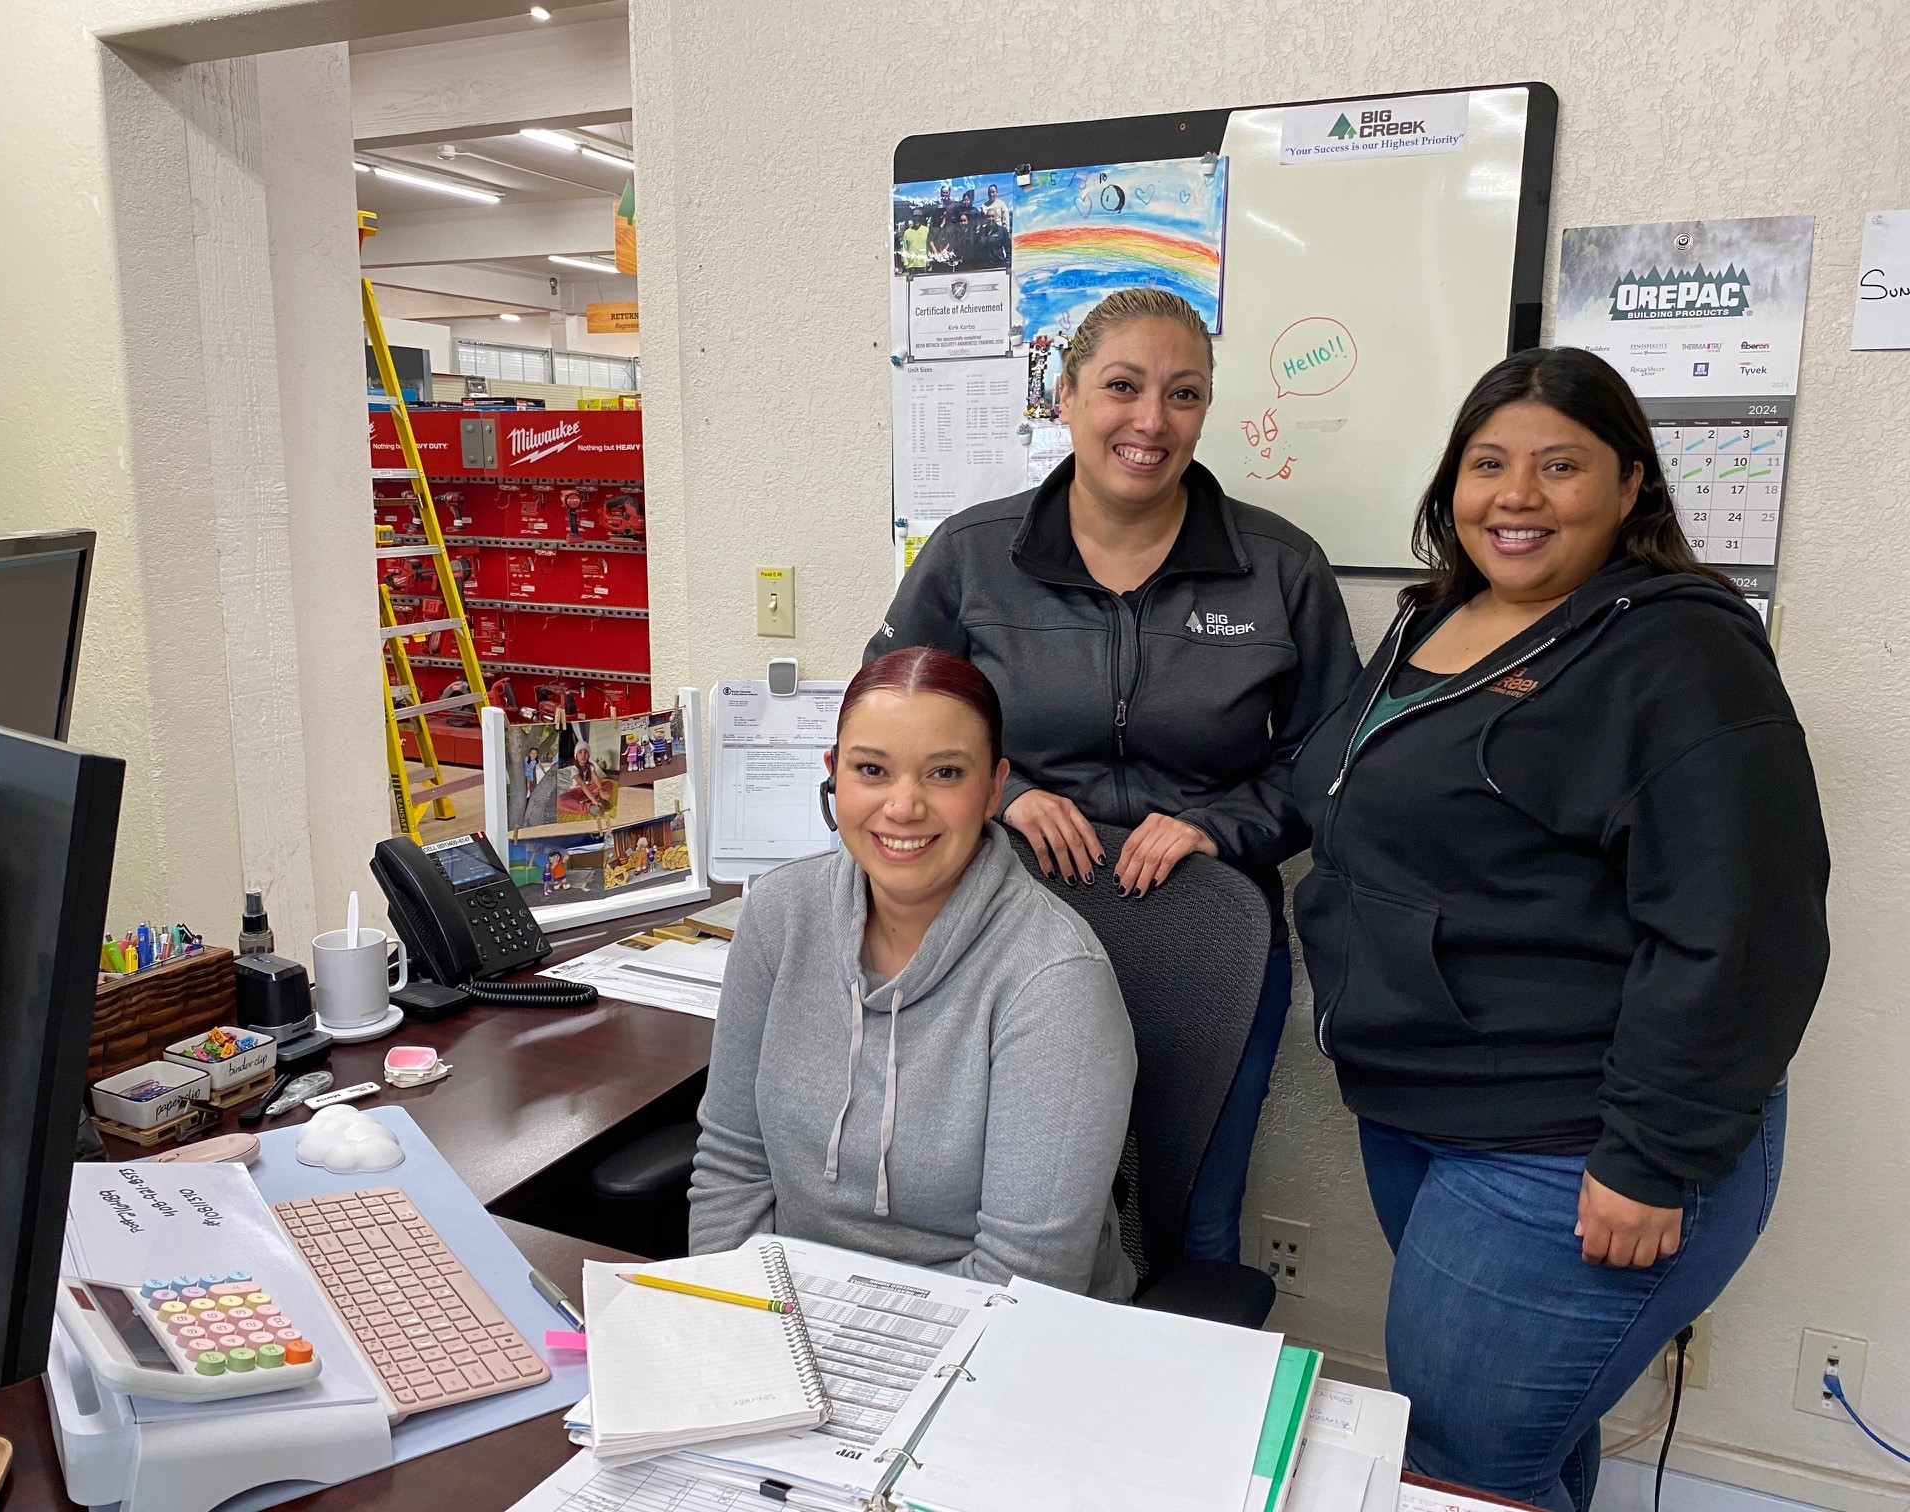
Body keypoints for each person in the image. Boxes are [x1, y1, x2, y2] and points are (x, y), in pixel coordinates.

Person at [1289, 347, 1829, 1512]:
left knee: (1461, 1470)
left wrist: (1649, 1159)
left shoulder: (1677, 651)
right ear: (1451, 486)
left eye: (1559, 465)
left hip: (1570, 1140)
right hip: (1424, 1111)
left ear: (1632, 484)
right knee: (1521, 1455)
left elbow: (1743, 930)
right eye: (1488, 464)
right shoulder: (1432, 620)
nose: (1516, 496)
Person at [868, 286, 1360, 1264]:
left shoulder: (1280, 568)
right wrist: (1004, 796)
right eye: (1122, 387)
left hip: (1208, 945)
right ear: (1065, 394)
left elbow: (1330, 758)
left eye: (1183, 395)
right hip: (1004, 933)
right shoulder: (971, 555)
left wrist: (1222, 823)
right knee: (1001, 1206)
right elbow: (884, 738)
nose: (1150, 420)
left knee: (1192, 1220)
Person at [689, 647, 1137, 1298]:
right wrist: (734, 1319)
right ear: (833, 775)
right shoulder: (779, 916)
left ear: (993, 789)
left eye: (944, 774)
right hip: (786, 1324)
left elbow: (1027, 1278)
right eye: (871, 769)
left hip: (993, 1345)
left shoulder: (1055, 977)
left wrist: (827, 1334)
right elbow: (732, 1167)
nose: (903, 807)